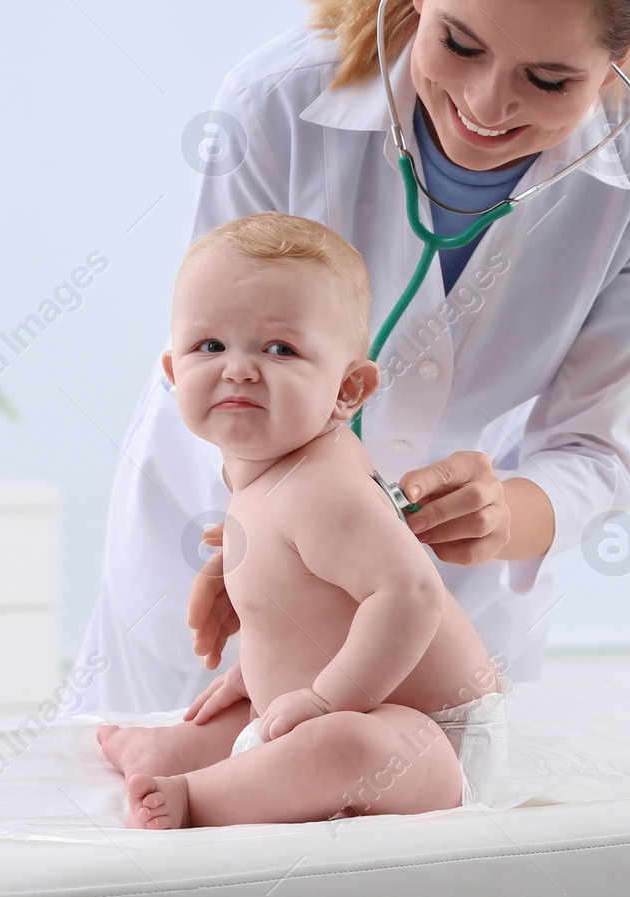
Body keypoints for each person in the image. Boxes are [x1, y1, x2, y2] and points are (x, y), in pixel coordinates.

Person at [77, 0, 630, 714]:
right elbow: (217, 349)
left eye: (550, 79)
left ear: (626, 50)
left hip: (445, 592)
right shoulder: (276, 104)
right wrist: (287, 532)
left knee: (414, 821)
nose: (489, 106)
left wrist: (505, 512)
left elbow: (597, 445)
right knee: (179, 808)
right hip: (230, 543)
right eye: (458, 42)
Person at [97, 212, 508, 828]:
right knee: (239, 716)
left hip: (431, 740)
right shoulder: (264, 470)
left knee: (339, 747)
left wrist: (326, 696)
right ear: (174, 372)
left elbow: (410, 594)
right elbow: (312, 600)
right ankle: (161, 752)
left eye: (279, 349)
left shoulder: (324, 485)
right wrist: (265, 671)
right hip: (351, 695)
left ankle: (199, 798)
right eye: (210, 345)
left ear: (348, 391)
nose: (237, 367)